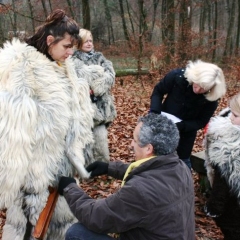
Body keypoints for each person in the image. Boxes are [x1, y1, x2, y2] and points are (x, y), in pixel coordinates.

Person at [0, 9, 104, 240]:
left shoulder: (62, 64)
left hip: (63, 168)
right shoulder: (23, 66)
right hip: (35, 173)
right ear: (50, 40)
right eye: (67, 46)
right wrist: (22, 174)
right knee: (28, 229)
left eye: (73, 47)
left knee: (61, 226)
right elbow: (12, 126)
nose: (71, 52)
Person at [58, 113, 195, 240]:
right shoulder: (181, 167)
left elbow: (96, 217)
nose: (131, 144)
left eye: (134, 140)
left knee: (76, 233)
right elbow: (149, 173)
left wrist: (70, 188)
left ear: (149, 149)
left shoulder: (140, 191)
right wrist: (109, 168)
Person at [150, 59, 226, 169]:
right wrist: (155, 112)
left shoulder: (212, 99)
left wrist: (182, 126)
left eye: (203, 88)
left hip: (186, 133)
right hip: (162, 123)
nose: (198, 89)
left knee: (183, 163)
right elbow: (158, 91)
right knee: (154, 157)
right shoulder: (178, 77)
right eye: (197, 84)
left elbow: (201, 121)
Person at [72, 28, 117, 164]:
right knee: (85, 140)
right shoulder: (74, 60)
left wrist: (97, 87)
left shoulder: (100, 57)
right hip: (84, 107)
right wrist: (90, 82)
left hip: (101, 107)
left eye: (90, 41)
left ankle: (103, 166)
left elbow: (110, 75)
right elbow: (79, 78)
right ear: (78, 43)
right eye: (85, 41)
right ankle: (88, 167)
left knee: (101, 137)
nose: (89, 43)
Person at [204, 93, 240, 240]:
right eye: (231, 112)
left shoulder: (230, 148)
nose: (230, 118)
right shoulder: (225, 137)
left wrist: (214, 208)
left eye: (236, 115)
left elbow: (221, 185)